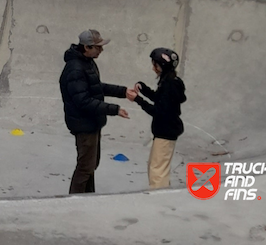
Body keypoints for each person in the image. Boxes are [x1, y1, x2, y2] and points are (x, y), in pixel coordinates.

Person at [60, 29, 136, 194]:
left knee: (91, 165)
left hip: (92, 122)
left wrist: (123, 92)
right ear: (86, 47)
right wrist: (114, 110)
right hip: (84, 124)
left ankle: (88, 197)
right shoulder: (75, 69)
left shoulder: (87, 63)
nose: (101, 50)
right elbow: (83, 101)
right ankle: (75, 201)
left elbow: (96, 87)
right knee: (85, 167)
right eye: (97, 47)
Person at [133, 47, 187, 189]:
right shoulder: (168, 82)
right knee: (154, 165)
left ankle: (159, 200)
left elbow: (158, 111)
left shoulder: (170, 85)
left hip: (166, 131)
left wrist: (137, 99)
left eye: (155, 65)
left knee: (158, 171)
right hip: (164, 130)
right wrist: (143, 89)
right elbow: (159, 99)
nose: (153, 68)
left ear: (162, 66)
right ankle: (160, 195)